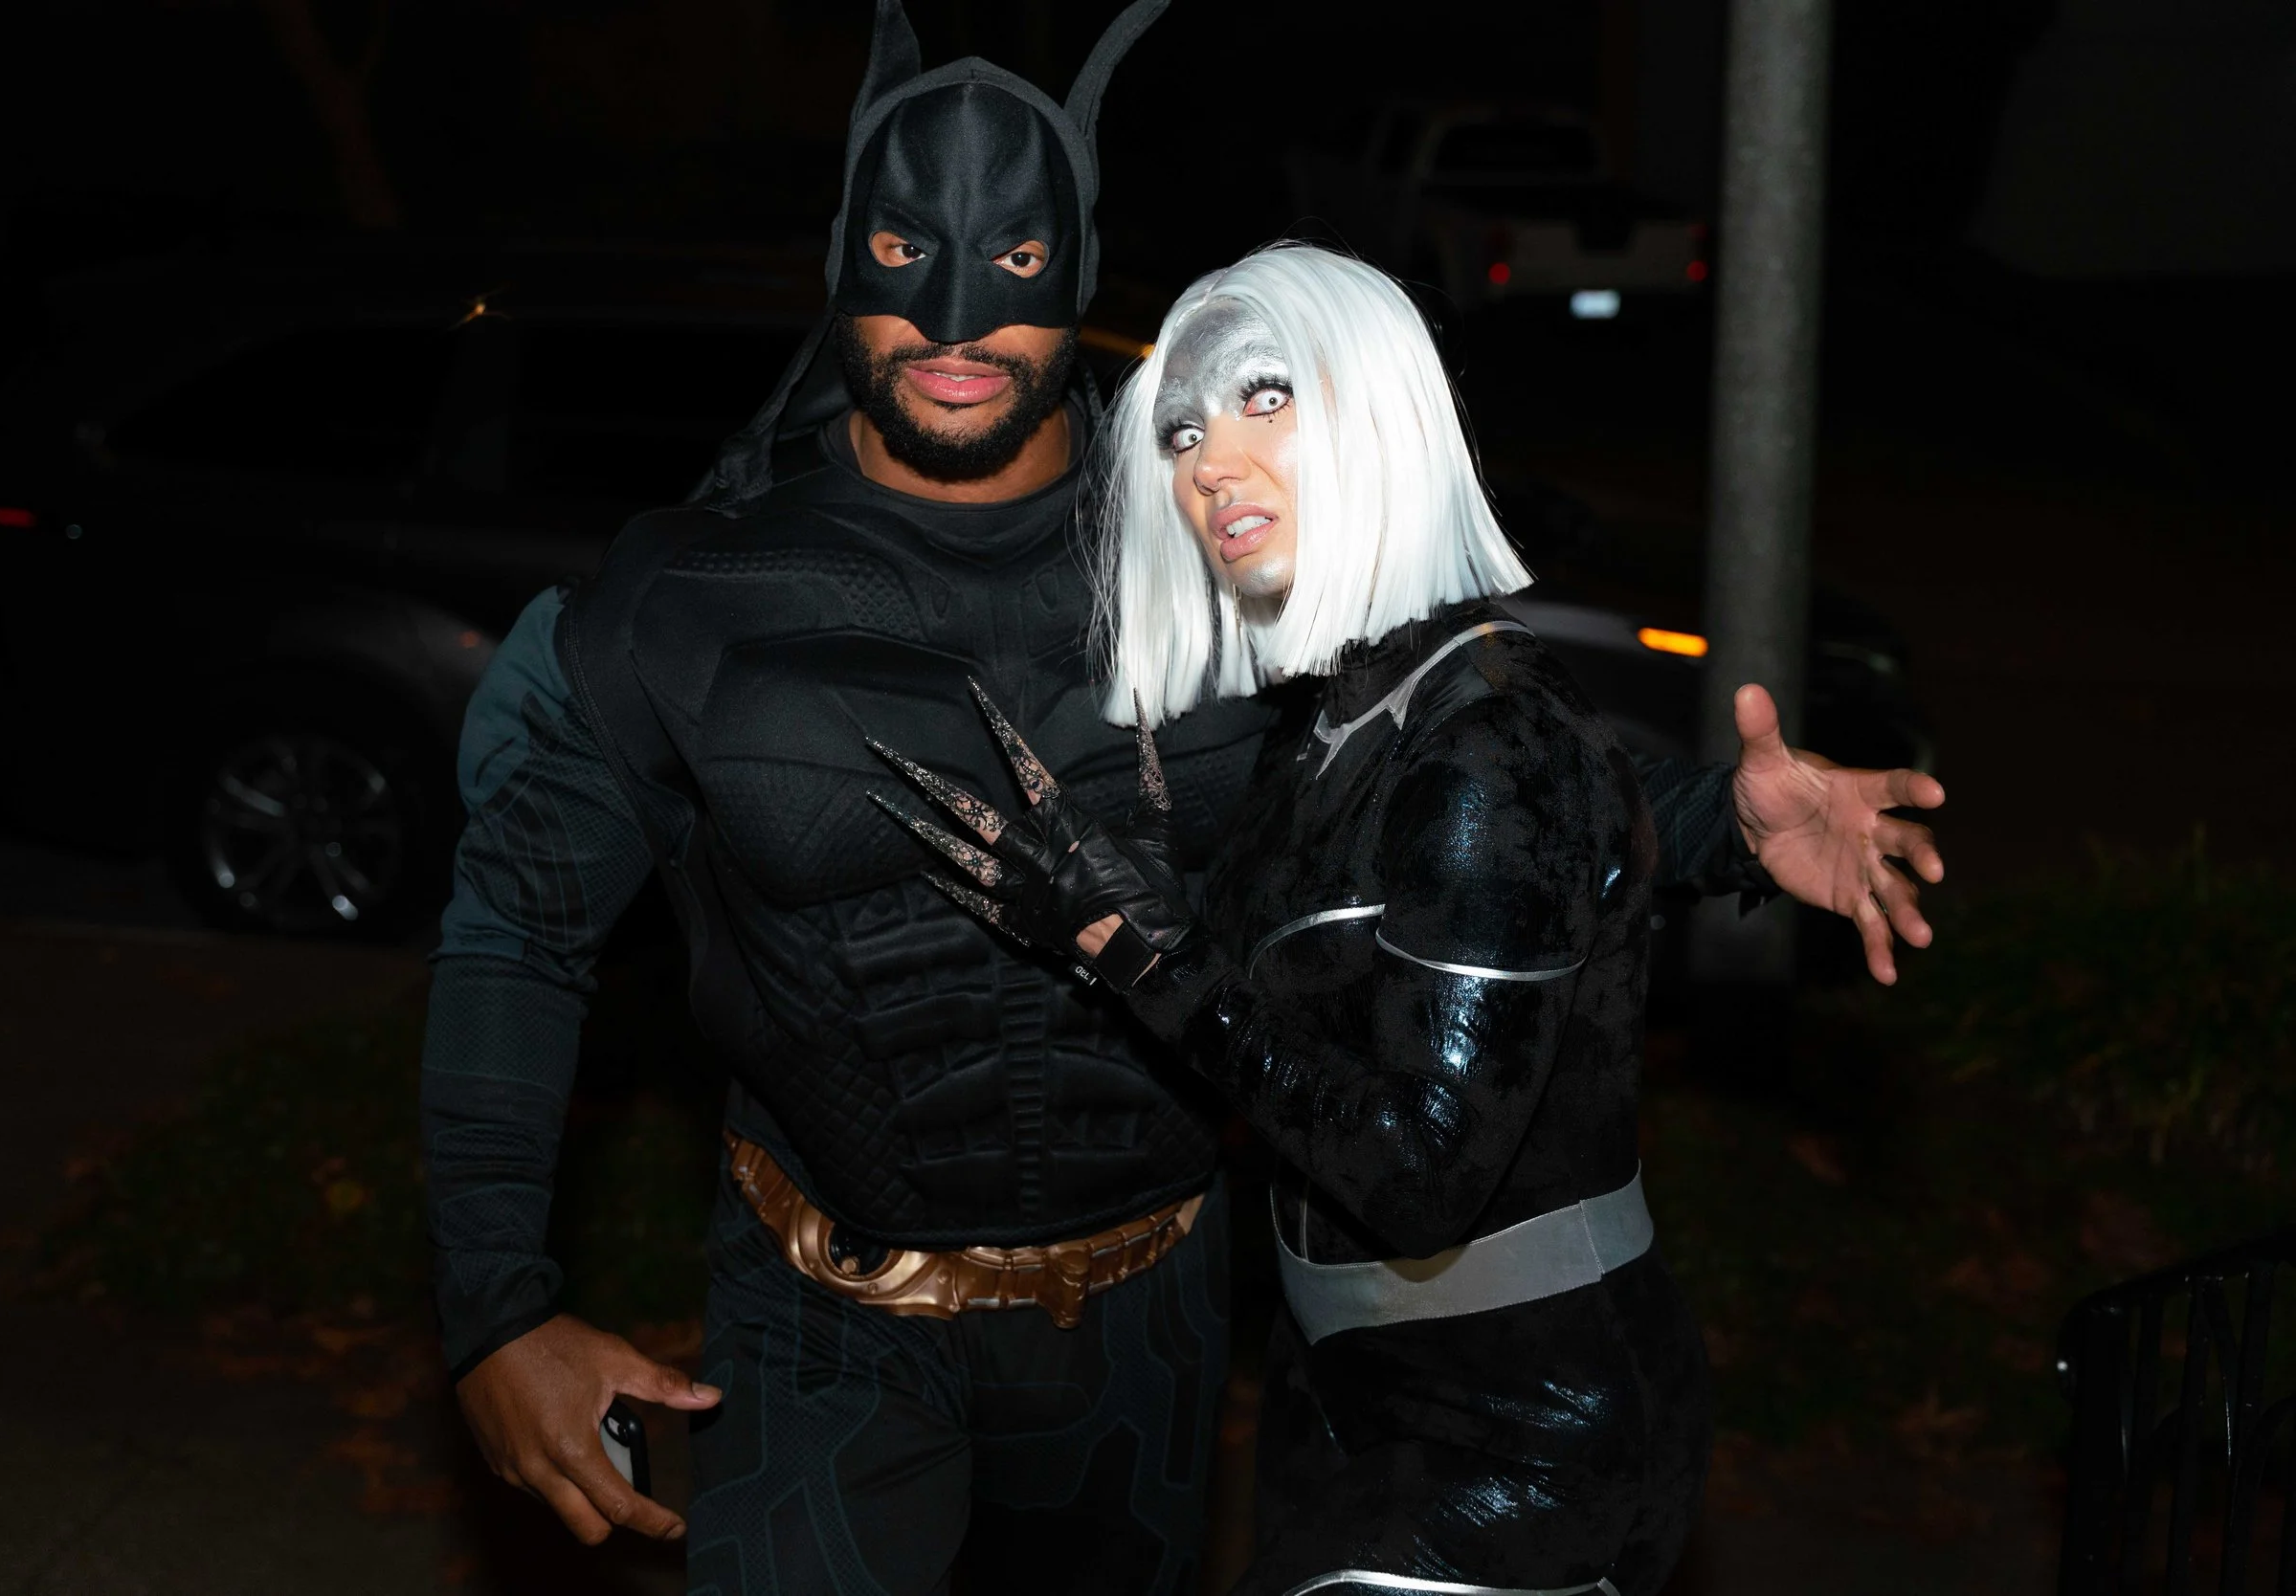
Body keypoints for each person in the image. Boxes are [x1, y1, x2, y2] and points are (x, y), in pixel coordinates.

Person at [419, 7, 1946, 1594]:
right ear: (841, 261)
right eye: (900, 251)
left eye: (1013, 268)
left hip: (1146, 1325)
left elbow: (1441, 777)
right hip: (825, 1327)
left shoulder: (1214, 544)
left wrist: (1719, 825)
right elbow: (519, 931)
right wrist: (497, 1307)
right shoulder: (692, 595)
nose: (954, 322)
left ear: (1076, 266)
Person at [885, 244, 1940, 1596]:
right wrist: (1714, 825)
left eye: (1266, 398)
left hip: (1509, 1440)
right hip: (1369, 1398)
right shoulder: (1361, 708)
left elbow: (1418, 1166)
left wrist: (1133, 949)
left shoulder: (1475, 737)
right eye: (1185, 429)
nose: (1210, 461)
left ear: (1380, 406)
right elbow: (1480, 858)